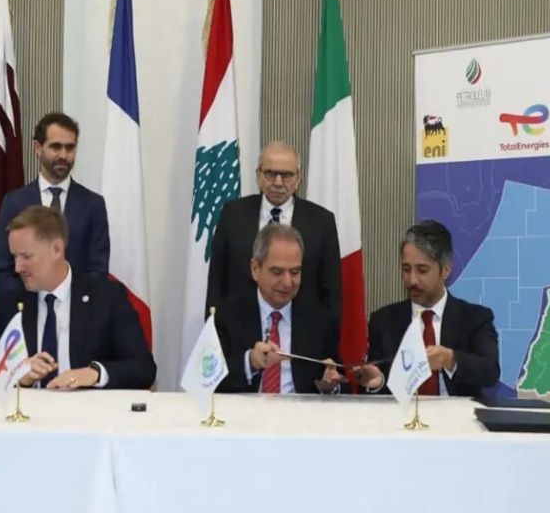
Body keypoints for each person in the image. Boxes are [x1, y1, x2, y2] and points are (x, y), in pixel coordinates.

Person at [0, 205, 155, 390]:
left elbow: (143, 368)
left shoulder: (106, 297)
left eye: (26, 257)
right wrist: (19, 375)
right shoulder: (11, 302)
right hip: (31, 407)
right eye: (14, 257)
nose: (17, 267)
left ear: (57, 249)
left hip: (89, 407)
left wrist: (95, 373)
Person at [354, 220, 500, 397]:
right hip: (402, 414)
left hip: (456, 413)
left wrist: (450, 359)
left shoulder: (475, 318)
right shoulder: (384, 321)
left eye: (422, 270)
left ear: (445, 271)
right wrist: (377, 382)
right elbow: (375, 384)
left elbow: (490, 371)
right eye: (406, 269)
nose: (412, 280)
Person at [207, 141, 341, 319]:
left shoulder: (321, 221)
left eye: (286, 175)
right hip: (239, 327)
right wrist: (213, 327)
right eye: (270, 174)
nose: (278, 182)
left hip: (301, 329)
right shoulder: (233, 215)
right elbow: (216, 281)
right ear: (258, 175)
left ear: (298, 178)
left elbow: (331, 292)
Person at [215, 223, 345, 394]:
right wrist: (250, 362)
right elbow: (207, 379)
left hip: (301, 410)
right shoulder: (227, 315)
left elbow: (341, 380)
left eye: (295, 272)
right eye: (277, 272)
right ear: (255, 269)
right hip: (244, 410)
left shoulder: (319, 320)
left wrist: (331, 385)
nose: (287, 282)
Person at [0, 112, 109, 293]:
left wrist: (67, 300)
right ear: (38, 148)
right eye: (56, 147)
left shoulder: (93, 205)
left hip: (78, 306)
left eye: (70, 148)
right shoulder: (14, 203)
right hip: (27, 305)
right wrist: (34, 301)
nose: (64, 155)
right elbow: (2, 271)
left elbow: (98, 270)